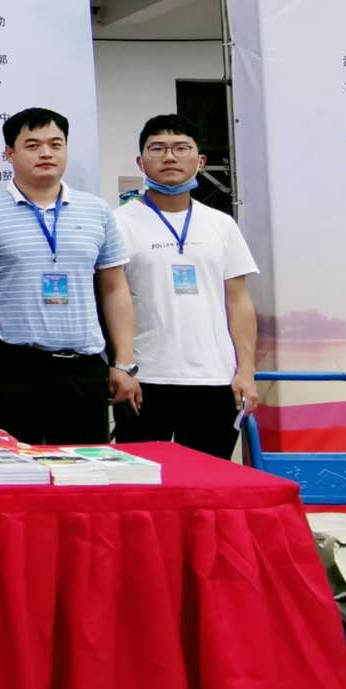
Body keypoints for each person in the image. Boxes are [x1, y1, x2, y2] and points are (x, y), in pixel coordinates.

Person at [0, 107, 140, 445]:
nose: (46, 153)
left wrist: (123, 363)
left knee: (85, 467)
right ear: (10, 153)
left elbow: (114, 289)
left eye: (56, 144)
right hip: (15, 366)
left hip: (84, 367)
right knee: (18, 467)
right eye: (33, 145)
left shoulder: (96, 211)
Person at [111, 114, 259, 458]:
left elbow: (238, 301)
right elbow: (111, 297)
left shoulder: (221, 224)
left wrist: (246, 372)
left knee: (208, 482)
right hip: (146, 379)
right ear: (140, 162)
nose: (169, 157)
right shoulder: (117, 223)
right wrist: (122, 367)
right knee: (145, 482)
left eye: (181, 148)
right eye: (157, 149)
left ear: (201, 161)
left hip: (215, 380)